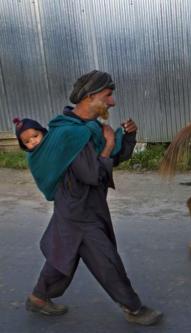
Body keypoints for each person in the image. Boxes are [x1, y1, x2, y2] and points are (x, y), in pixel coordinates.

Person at [25, 70, 163, 325]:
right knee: (105, 258)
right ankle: (133, 308)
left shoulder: (89, 129)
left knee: (64, 255)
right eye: (108, 96)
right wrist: (109, 145)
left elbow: (111, 160)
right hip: (79, 211)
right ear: (91, 96)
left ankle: (38, 297)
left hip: (80, 205)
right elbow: (92, 173)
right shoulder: (71, 134)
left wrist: (126, 137)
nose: (112, 102)